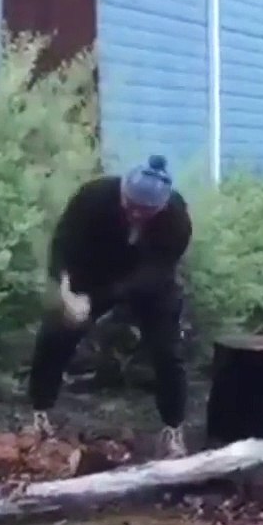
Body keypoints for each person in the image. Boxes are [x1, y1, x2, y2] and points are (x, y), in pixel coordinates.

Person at [26, 155, 193, 458]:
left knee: (168, 353)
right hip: (95, 273)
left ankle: (173, 429)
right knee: (55, 334)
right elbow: (63, 243)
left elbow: (155, 271)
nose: (136, 216)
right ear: (123, 192)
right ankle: (40, 414)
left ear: (161, 206)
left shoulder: (176, 217)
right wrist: (67, 291)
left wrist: (100, 300)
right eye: (130, 207)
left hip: (150, 284)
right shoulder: (94, 197)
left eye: (146, 212)